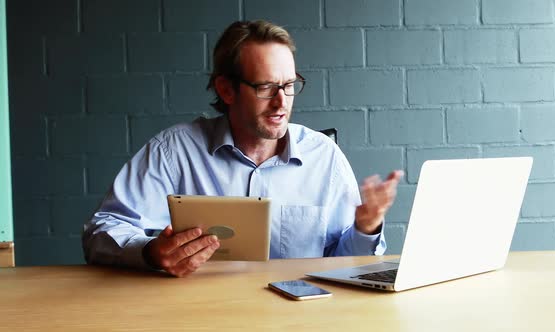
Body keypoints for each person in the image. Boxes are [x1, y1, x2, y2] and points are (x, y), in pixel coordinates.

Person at [82, 20, 403, 277]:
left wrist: (366, 227)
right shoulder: (173, 151)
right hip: (198, 318)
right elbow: (102, 231)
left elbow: (347, 267)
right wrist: (151, 252)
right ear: (226, 89)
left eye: (289, 86)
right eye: (266, 87)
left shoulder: (325, 157)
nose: (281, 102)